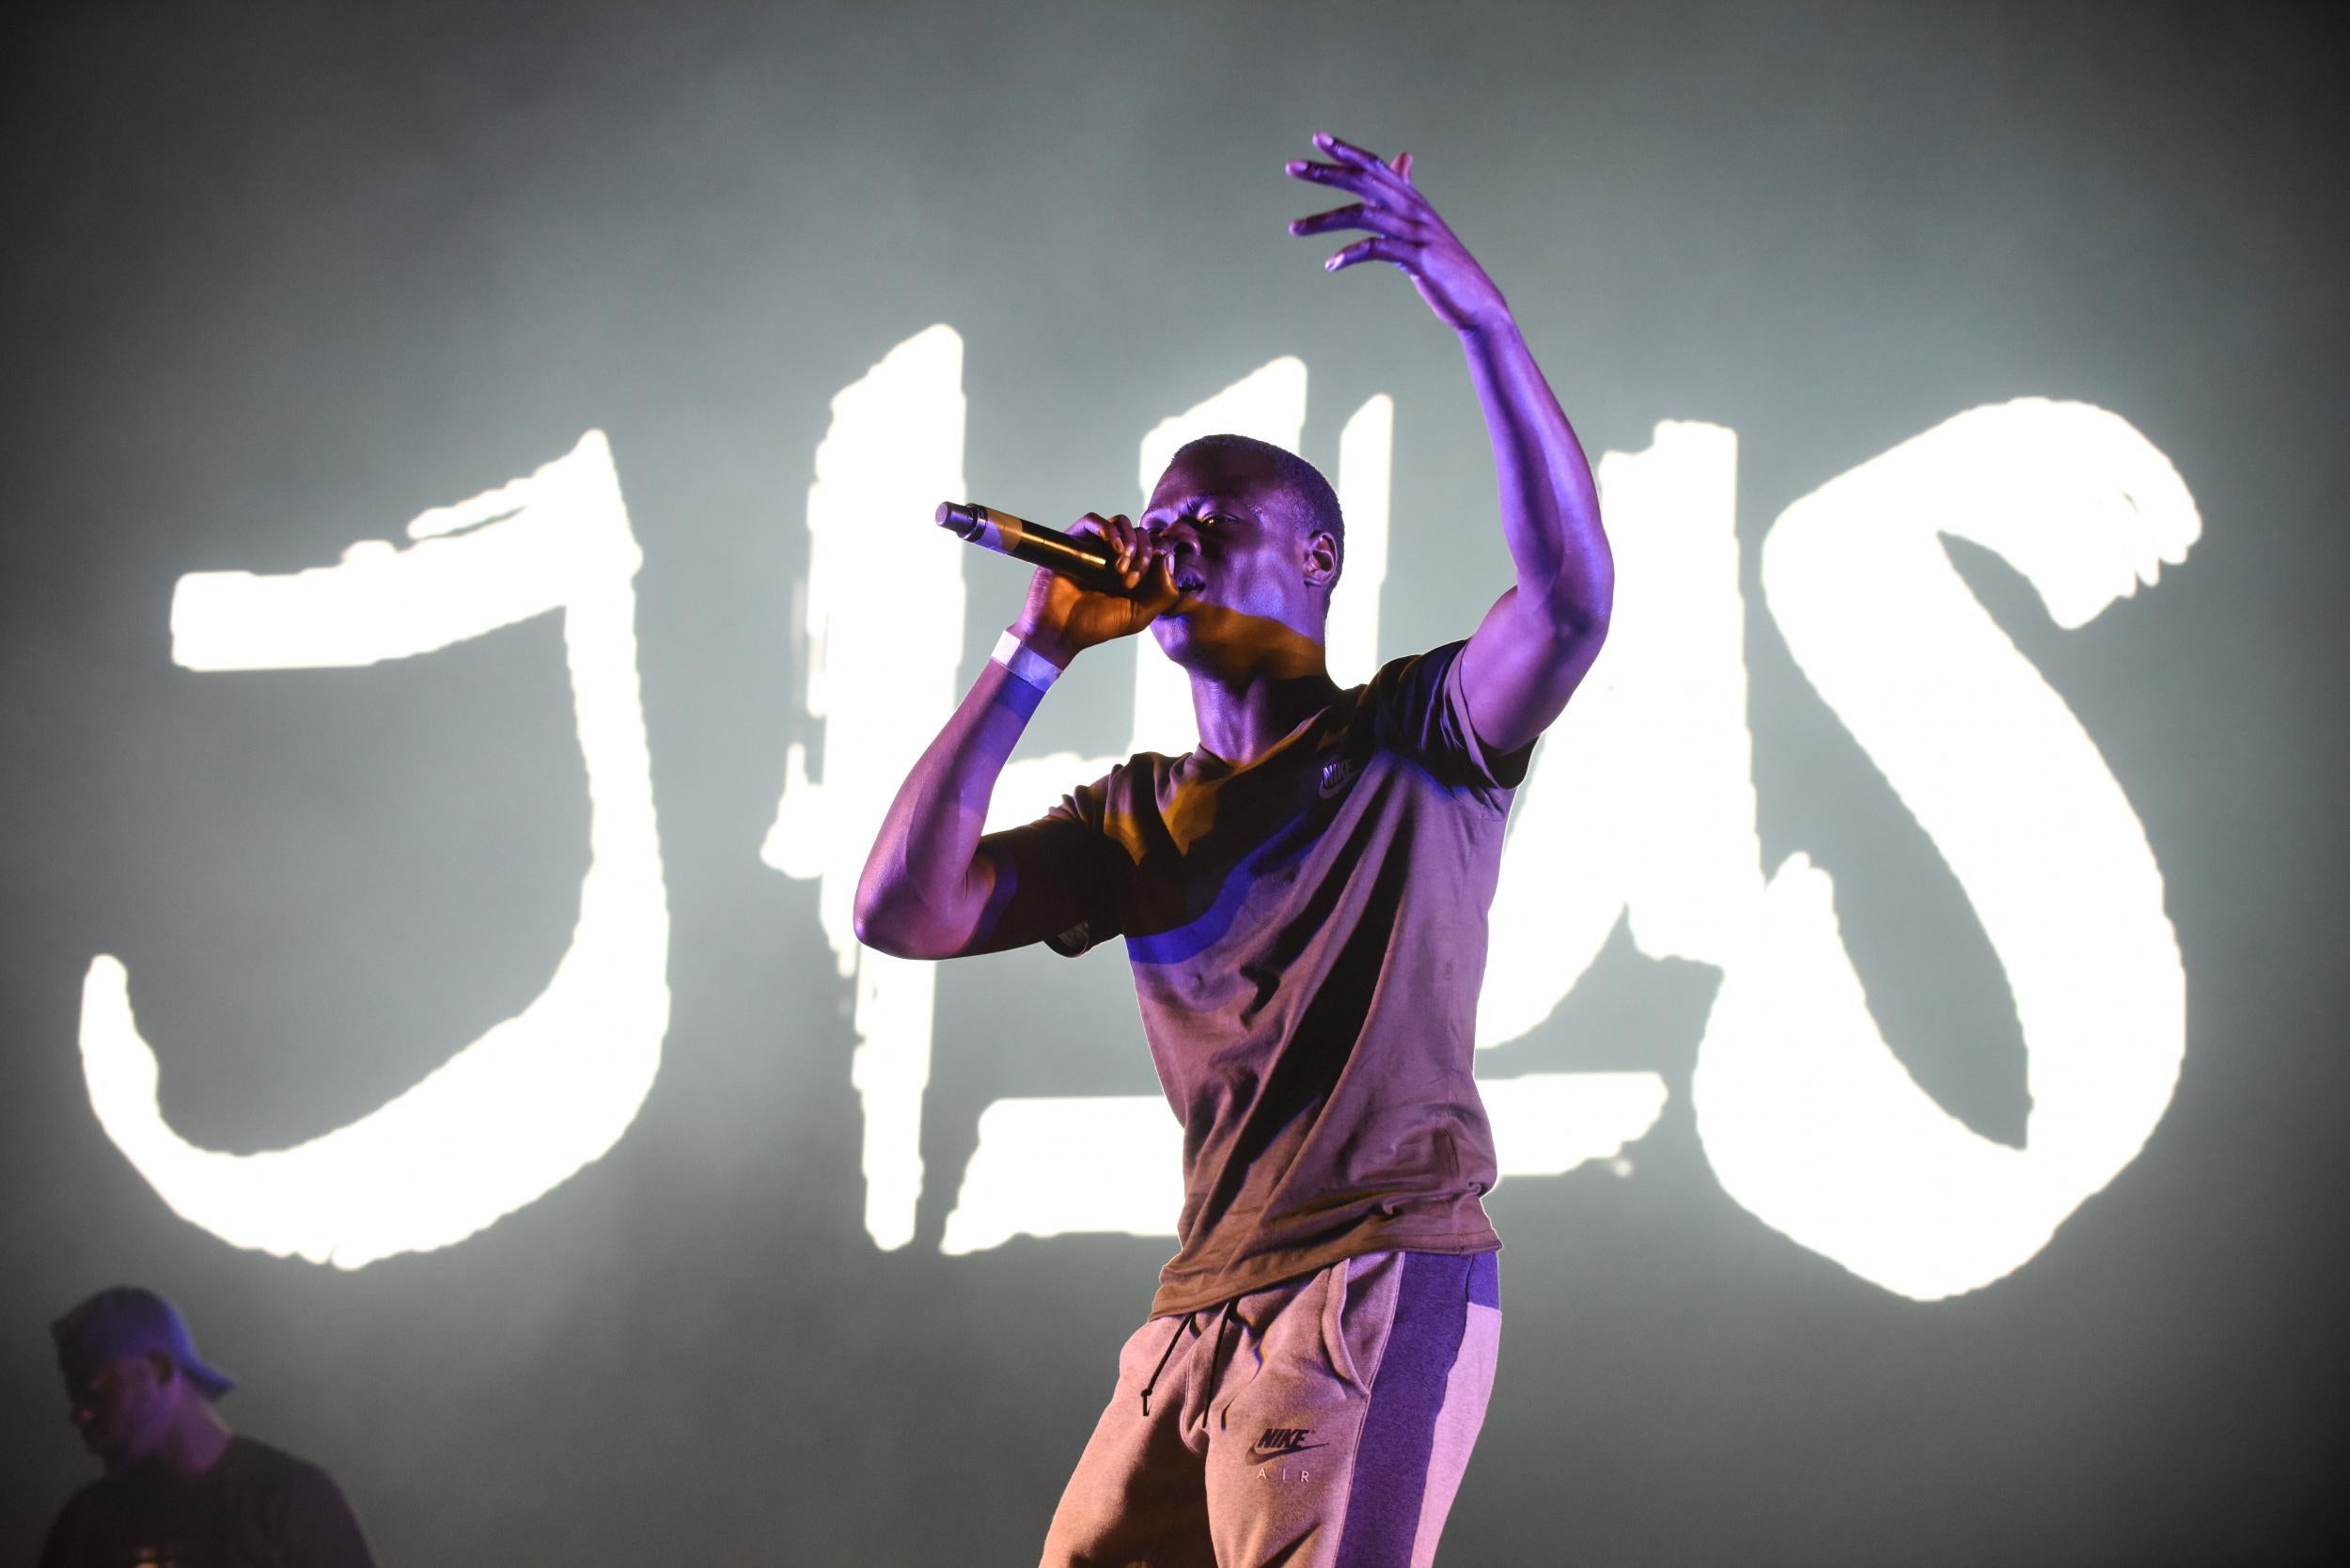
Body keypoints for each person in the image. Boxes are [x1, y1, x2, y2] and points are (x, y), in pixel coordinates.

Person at [855, 132, 1611, 1568]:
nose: (1170, 538)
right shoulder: (1133, 815)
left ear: (1316, 558)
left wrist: (1481, 319)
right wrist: (1034, 650)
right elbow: (903, 911)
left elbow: (1570, 601)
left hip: (1375, 1268)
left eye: (1212, 517)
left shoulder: (1415, 732)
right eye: (1158, 519)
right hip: (1199, 1304)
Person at [39, 1285, 377, 1568]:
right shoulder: (84, 1525)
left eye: (94, 1389)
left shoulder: (291, 1500)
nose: (79, 1413)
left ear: (158, 1369)